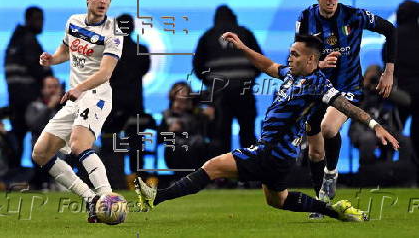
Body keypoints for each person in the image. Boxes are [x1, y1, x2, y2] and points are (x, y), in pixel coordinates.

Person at [134, 33, 399, 222]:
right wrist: (242, 47)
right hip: (279, 157)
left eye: (295, 54)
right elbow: (268, 66)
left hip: (271, 151)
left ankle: (155, 197)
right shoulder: (293, 74)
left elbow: (345, 106)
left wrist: (375, 125)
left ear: (310, 60)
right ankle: (336, 211)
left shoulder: (318, 85)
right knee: (278, 200)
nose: (289, 57)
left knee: (213, 166)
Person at [295, 0, 397, 213]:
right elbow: (299, 57)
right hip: (317, 89)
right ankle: (321, 203)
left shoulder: (355, 15)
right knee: (315, 150)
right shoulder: (305, 18)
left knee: (329, 128)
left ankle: (331, 173)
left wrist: (388, 71)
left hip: (348, 87)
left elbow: (390, 30)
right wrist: (318, 64)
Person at [31, 0, 123, 223]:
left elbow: (105, 73)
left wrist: (78, 89)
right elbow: (65, 50)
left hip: (97, 95)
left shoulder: (114, 31)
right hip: (75, 97)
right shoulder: (73, 22)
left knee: (79, 144)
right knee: (41, 154)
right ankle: (91, 199)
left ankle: (107, 198)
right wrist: (51, 60)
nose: (103, 2)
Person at [193, 5, 262, 156]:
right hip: (244, 91)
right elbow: (259, 61)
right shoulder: (245, 33)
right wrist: (248, 78)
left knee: (221, 134)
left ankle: (222, 176)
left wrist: (211, 84)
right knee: (248, 132)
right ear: (234, 17)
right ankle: (249, 173)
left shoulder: (207, 36)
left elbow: (198, 66)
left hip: (219, 94)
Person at [100, 13, 150, 189]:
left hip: (112, 104)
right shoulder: (142, 51)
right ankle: (139, 181)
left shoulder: (109, 53)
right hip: (135, 103)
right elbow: (144, 69)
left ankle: (115, 180)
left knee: (111, 143)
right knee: (137, 144)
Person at [4, 6, 53, 168]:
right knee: (37, 139)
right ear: (29, 20)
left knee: (17, 138)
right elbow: (39, 69)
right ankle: (36, 179)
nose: (42, 23)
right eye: (39, 19)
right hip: (28, 101)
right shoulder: (28, 41)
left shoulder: (15, 40)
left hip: (15, 100)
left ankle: (14, 176)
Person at [393, 0, 419, 184]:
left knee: (394, 134)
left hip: (400, 95)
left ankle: (397, 175)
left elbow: (388, 64)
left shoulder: (394, 36)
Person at [26, 76, 63, 189]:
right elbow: (33, 125)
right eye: (49, 87)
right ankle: (51, 183)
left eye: (56, 86)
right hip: (43, 144)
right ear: (43, 90)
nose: (53, 90)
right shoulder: (34, 106)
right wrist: (49, 107)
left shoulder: (68, 105)